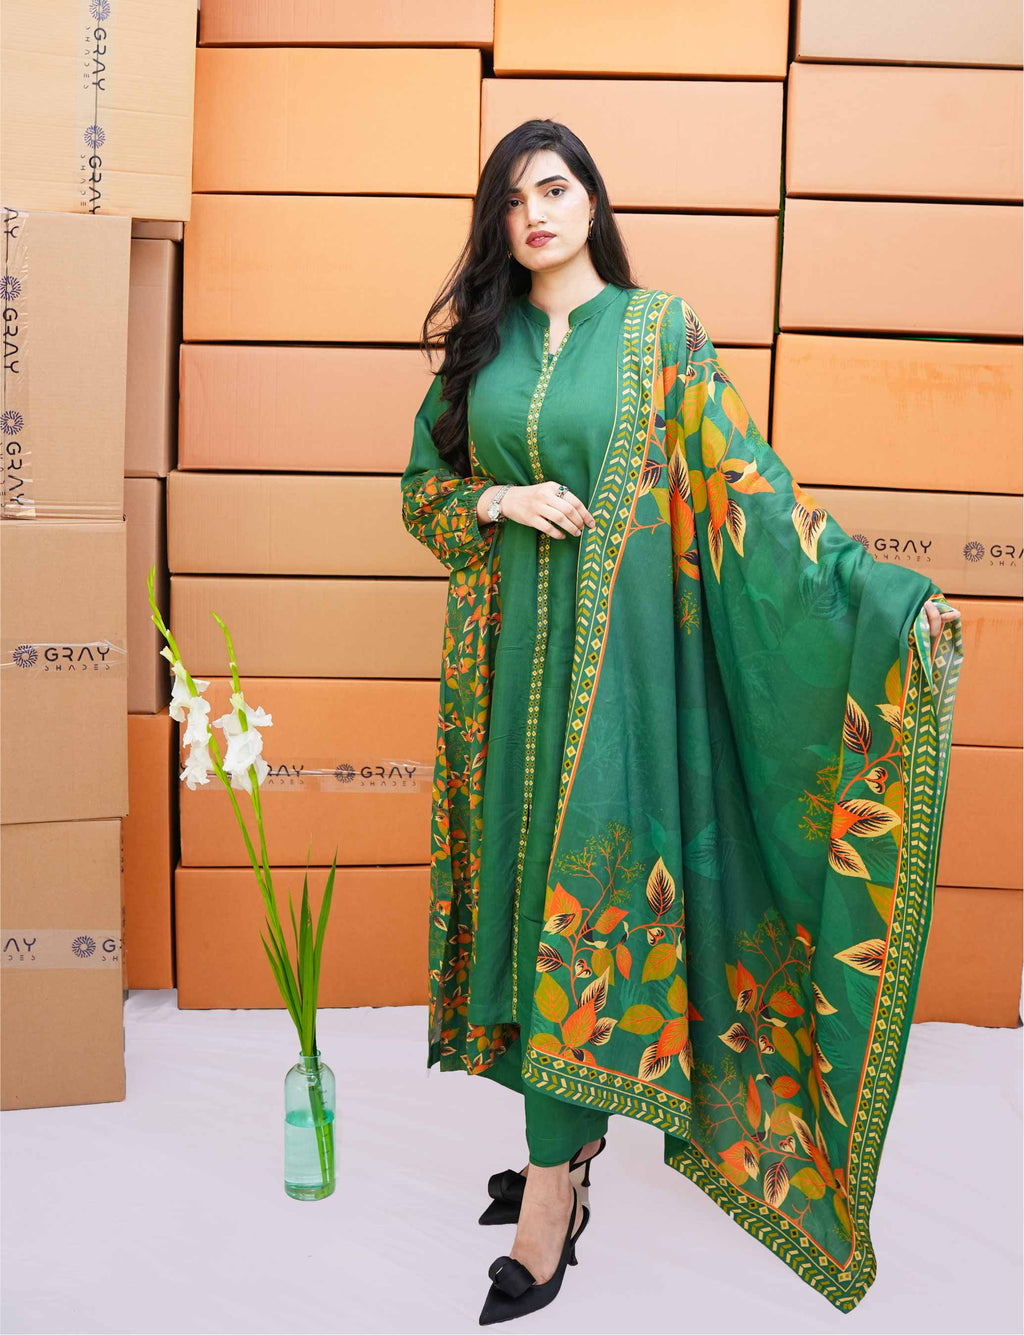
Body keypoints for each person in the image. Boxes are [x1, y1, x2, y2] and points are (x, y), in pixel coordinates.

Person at [400, 120, 963, 1324]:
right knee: (513, 895)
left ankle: (554, 1195)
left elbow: (749, 496)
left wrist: (881, 602)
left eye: (555, 187)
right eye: (511, 198)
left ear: (592, 201)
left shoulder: (661, 336)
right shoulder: (480, 349)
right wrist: (495, 495)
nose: (535, 212)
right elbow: (423, 497)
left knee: (584, 906)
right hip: (501, 688)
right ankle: (565, 1141)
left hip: (623, 700)